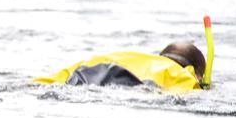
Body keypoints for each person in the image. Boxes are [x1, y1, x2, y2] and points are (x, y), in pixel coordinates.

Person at [35, 40, 207, 94]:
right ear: (197, 72)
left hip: (82, 78)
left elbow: (40, 83)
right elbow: (185, 98)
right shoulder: (183, 73)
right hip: (130, 88)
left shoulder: (115, 55)